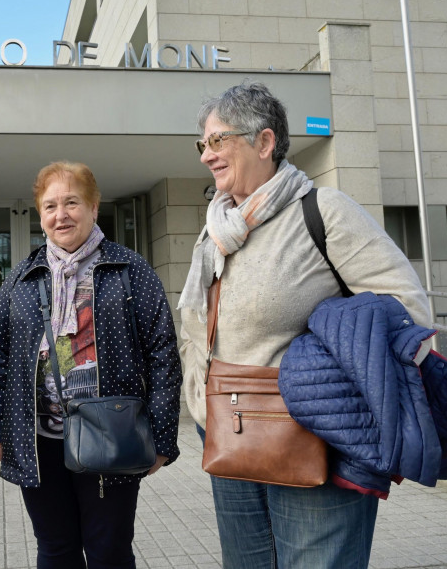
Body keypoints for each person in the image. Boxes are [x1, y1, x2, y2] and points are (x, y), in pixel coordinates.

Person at [178, 81, 431, 568]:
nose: (206, 156)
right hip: (227, 432)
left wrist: (327, 385)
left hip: (315, 434)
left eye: (218, 141)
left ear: (265, 142)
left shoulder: (323, 212)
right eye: (202, 144)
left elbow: (408, 312)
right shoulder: (217, 231)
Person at [0, 161, 183, 569]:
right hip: (38, 440)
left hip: (110, 434)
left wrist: (161, 437)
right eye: (50, 206)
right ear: (40, 215)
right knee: (55, 549)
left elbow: (162, 353)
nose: (61, 215)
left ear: (94, 207)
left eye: (72, 202)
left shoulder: (129, 269)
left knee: (108, 551)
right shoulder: (22, 276)